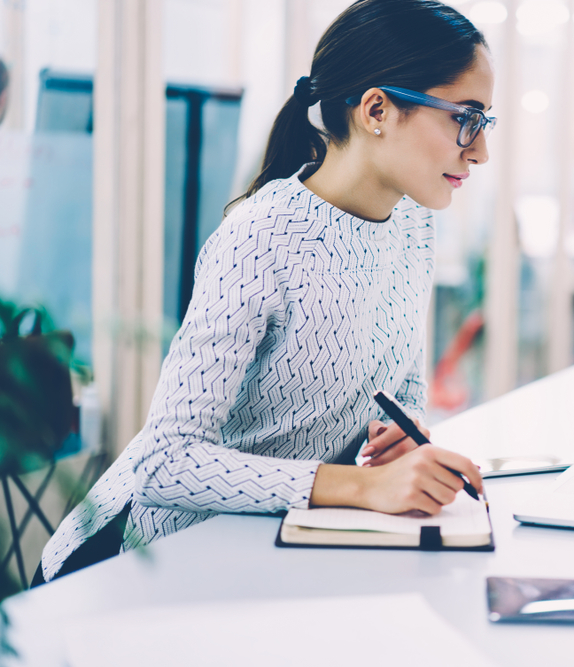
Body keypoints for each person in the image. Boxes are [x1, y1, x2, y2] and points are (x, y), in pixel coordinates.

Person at [37, 0, 494, 584]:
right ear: (377, 109)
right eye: (466, 117)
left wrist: (401, 440)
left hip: (261, 550)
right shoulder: (261, 237)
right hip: (137, 567)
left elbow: (399, 382)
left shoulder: (413, 222)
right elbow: (164, 462)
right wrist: (359, 485)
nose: (479, 149)